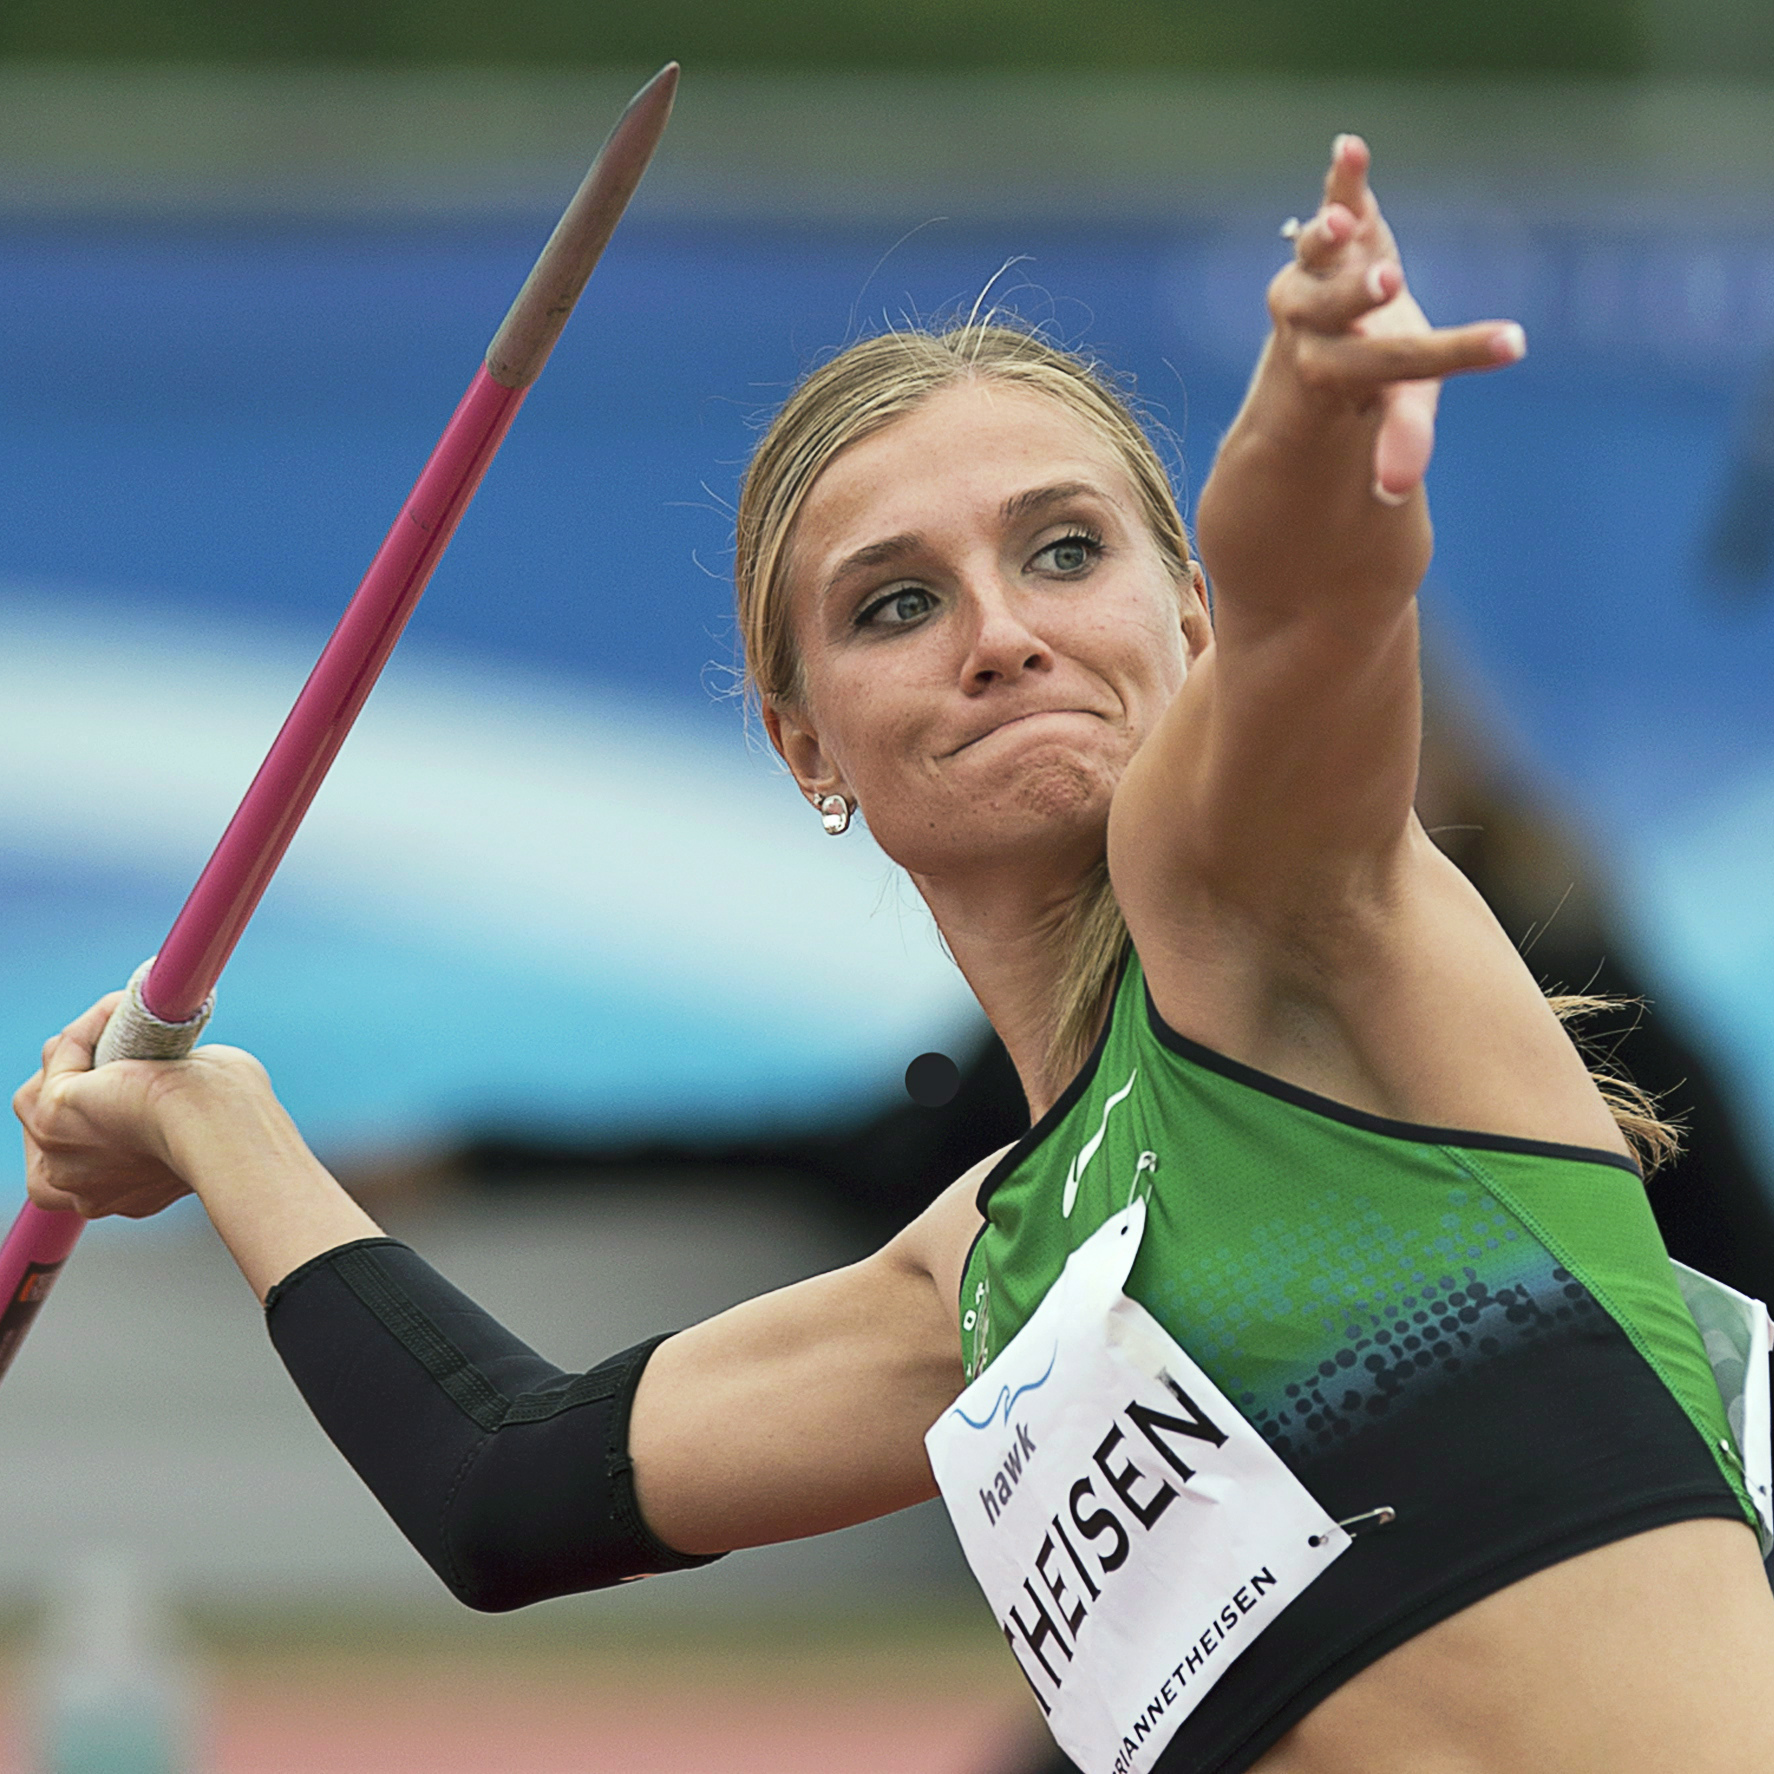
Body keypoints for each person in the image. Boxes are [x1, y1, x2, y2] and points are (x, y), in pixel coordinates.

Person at [15, 137, 1774, 1774]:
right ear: (806, 746)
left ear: (1184, 617)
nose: (999, 634)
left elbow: (1316, 594)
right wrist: (215, 1119)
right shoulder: (985, 1280)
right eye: (896, 603)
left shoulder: (1282, 914)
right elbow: (501, 1483)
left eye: (1065, 551)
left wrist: (1316, 417)